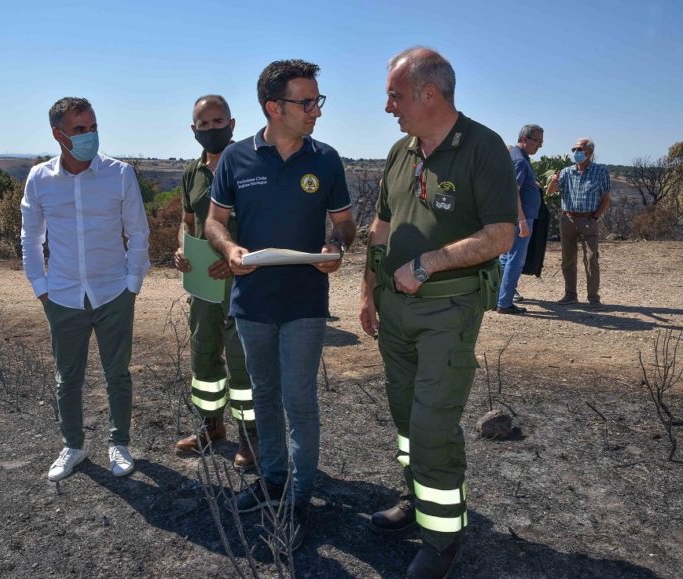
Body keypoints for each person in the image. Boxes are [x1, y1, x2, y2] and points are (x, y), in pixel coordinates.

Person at [359, 47, 517, 578]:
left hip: (447, 309)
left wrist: (429, 262)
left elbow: (501, 234)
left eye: (395, 96)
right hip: (393, 309)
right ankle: (417, 499)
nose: (388, 107)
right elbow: (380, 226)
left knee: (431, 425)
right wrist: (366, 289)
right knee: (406, 421)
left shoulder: (483, 147)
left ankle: (442, 538)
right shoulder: (401, 152)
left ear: (430, 94)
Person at [205, 59, 356, 551]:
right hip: (251, 303)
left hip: (305, 302)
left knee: (299, 400)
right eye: (306, 102)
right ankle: (271, 481)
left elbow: (345, 226)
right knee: (264, 398)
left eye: (318, 101)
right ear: (274, 107)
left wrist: (336, 248)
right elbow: (214, 222)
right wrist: (229, 250)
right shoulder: (235, 159)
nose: (316, 110)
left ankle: (299, 497)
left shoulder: (326, 159)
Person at [21, 97, 150, 482]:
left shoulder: (119, 174)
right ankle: (73, 446)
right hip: (62, 296)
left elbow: (138, 232)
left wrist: (132, 284)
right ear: (58, 135)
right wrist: (40, 287)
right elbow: (31, 237)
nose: (89, 136)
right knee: (67, 377)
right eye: (79, 130)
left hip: (114, 293)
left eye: (92, 128)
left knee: (117, 374)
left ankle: (120, 443)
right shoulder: (40, 178)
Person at [173, 95, 258, 469]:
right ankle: (211, 426)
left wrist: (234, 256)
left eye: (218, 121)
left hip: (241, 281)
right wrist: (181, 249)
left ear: (233, 124)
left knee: (242, 362)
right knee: (204, 355)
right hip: (202, 286)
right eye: (203, 125)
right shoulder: (192, 172)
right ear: (194, 130)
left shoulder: (250, 166)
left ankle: (250, 437)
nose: (211, 129)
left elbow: (263, 224)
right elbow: (187, 220)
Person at [546, 138, 611, 308]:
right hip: (568, 218)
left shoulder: (600, 171)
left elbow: (606, 198)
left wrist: (595, 217)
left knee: (591, 258)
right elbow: (550, 192)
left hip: (589, 219)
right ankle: (570, 295)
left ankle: (593, 297)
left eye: (579, 149)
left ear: (589, 152)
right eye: (573, 149)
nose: (575, 152)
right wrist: (553, 181)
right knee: (568, 259)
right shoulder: (566, 172)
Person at [496, 124, 544, 314]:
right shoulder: (519, 160)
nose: (540, 146)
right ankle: (505, 302)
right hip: (520, 219)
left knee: (506, 258)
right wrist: (522, 220)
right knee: (515, 260)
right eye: (537, 141)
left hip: (515, 218)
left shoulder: (518, 157)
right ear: (525, 139)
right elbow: (512, 191)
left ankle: (499, 297)